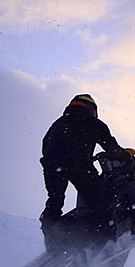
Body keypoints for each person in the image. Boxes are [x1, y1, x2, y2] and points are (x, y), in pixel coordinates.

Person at [39, 94, 124, 241]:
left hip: (51, 165)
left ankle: (52, 235)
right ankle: (106, 240)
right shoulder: (92, 123)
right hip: (78, 164)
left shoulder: (58, 123)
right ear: (92, 109)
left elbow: (45, 143)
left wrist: (54, 162)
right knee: (101, 202)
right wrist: (122, 154)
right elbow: (111, 146)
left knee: (54, 200)